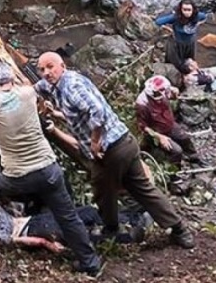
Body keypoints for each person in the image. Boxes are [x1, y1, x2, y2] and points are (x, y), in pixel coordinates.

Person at [0, 62, 102, 275]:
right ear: (11, 80)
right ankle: (91, 264)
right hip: (49, 170)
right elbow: (34, 90)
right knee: (68, 217)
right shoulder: (27, 93)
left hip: (18, 176)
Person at [34, 51, 196, 249]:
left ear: (62, 66)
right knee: (142, 189)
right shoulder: (56, 85)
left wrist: (95, 141)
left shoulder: (71, 87)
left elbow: (98, 112)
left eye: (50, 67)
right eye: (42, 69)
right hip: (125, 142)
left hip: (111, 150)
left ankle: (110, 230)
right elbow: (39, 90)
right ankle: (179, 229)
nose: (46, 73)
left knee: (102, 190)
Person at [0, 203, 153, 252]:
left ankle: (135, 219)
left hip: (37, 220)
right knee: (82, 235)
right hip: (35, 229)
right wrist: (46, 244)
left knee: (87, 213)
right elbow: (16, 240)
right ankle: (129, 235)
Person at [135, 75, 203, 165]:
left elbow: (174, 97)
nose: (162, 96)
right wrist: (159, 137)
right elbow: (143, 127)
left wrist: (175, 93)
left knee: (185, 138)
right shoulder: (142, 104)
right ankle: (174, 172)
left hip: (169, 124)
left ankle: (194, 158)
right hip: (158, 132)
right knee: (177, 151)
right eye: (159, 94)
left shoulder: (163, 89)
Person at [155, 0, 208, 73]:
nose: (187, 12)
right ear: (181, 10)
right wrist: (168, 29)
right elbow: (158, 22)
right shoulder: (175, 17)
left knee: (190, 61)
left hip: (190, 43)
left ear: (193, 10)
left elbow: (205, 17)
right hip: (177, 44)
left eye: (189, 10)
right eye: (184, 10)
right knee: (176, 63)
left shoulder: (198, 16)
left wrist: (199, 23)